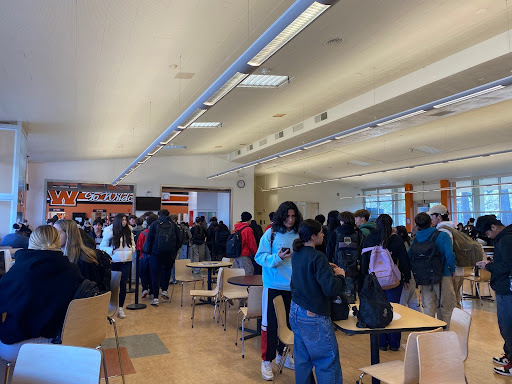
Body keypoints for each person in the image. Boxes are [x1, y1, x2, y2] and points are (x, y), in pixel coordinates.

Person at [0, 225, 83, 362]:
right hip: (61, 341)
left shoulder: (19, 271)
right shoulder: (73, 270)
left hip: (18, 345)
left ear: (32, 241)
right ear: (58, 242)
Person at [289, 219, 346, 384]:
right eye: (320, 232)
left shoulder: (297, 253)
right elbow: (330, 289)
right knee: (327, 361)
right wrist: (341, 276)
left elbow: (307, 272)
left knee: (302, 361)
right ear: (313, 236)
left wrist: (324, 267)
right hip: (313, 315)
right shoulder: (318, 257)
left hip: (296, 310)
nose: (323, 234)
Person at [255, 201, 302, 381]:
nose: (290, 219)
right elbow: (259, 257)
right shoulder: (270, 234)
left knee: (289, 324)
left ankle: (283, 355)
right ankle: (266, 360)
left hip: (294, 287)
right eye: (287, 216)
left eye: (293, 216)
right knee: (270, 324)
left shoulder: (299, 234)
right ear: (281, 217)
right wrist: (277, 257)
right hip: (273, 286)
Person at [361, 214, 411, 351]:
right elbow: (404, 260)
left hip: (375, 281)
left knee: (378, 309)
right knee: (394, 309)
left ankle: (382, 343)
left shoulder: (370, 239)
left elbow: (364, 261)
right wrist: (406, 278)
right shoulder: (396, 239)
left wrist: (365, 280)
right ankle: (394, 344)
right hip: (393, 280)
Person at [475, 215, 512, 376]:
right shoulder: (506, 237)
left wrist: (488, 266)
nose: (488, 237)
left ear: (494, 227)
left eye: (487, 234)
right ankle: (509, 355)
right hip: (505, 287)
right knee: (506, 325)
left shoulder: (506, 240)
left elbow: (505, 266)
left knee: (507, 326)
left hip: (507, 289)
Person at [410, 212, 456, 328]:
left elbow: (410, 256)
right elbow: (450, 254)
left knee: (428, 307)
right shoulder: (442, 236)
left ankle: (430, 335)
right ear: (431, 222)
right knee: (446, 307)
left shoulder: (416, 240)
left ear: (417, 225)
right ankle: (444, 334)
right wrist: (452, 269)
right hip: (443, 275)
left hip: (425, 277)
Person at [54, 219, 111, 293]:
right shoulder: (61, 256)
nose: (54, 237)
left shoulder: (84, 260)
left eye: (58, 233)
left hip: (84, 302)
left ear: (69, 234)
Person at [143, 209, 182, 306]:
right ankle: (164, 290)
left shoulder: (155, 224)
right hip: (169, 253)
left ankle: (155, 298)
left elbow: (149, 240)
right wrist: (174, 250)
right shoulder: (173, 225)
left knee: (155, 275)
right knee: (167, 271)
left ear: (159, 215)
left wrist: (148, 251)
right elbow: (179, 239)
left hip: (156, 254)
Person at [428, 204, 464, 310]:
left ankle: (455, 325)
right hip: (459, 270)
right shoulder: (452, 228)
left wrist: (451, 269)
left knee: (450, 304)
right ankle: (459, 325)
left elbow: (449, 253)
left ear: (439, 216)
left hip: (451, 271)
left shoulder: (443, 232)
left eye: (432, 216)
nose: (431, 219)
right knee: (456, 300)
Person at [100, 213, 135, 318]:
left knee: (123, 284)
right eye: (122, 220)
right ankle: (109, 306)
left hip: (126, 261)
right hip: (114, 262)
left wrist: (132, 250)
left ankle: (120, 308)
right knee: (112, 284)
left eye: (125, 220)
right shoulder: (109, 232)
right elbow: (102, 246)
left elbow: (133, 244)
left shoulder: (129, 231)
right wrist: (112, 251)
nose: (124, 222)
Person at [327, 211, 363, 302]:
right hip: (355, 269)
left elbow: (329, 251)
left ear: (342, 221)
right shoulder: (358, 233)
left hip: (338, 268)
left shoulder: (335, 232)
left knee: (339, 295)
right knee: (352, 294)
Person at [396, 226, 421, 312]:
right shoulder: (410, 243)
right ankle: (420, 319)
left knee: (402, 302)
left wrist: (405, 277)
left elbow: (404, 262)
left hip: (406, 274)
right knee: (413, 300)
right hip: (412, 273)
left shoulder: (402, 246)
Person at [136, 213, 158, 299]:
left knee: (143, 273)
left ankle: (144, 288)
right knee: (153, 274)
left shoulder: (143, 233)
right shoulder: (158, 233)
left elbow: (139, 246)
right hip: (155, 257)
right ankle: (152, 290)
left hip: (144, 256)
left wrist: (140, 255)